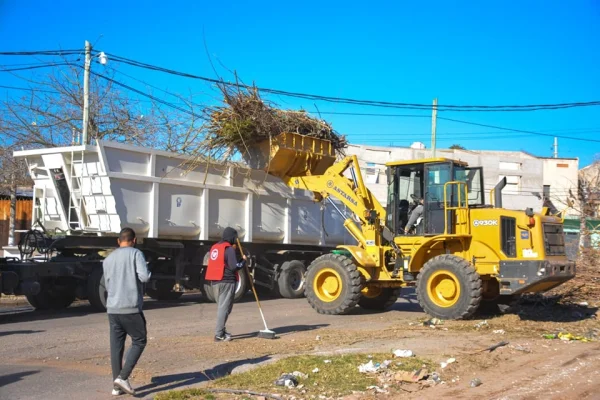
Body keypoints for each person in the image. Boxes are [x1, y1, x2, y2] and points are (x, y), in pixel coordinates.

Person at [103, 227, 151, 396]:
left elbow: (107, 285)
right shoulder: (135, 254)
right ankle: (123, 377)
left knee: (116, 347)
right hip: (130, 307)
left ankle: (116, 387)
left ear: (118, 241)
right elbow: (144, 277)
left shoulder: (108, 259)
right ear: (134, 240)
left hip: (113, 308)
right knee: (140, 340)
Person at [205, 227, 247, 342]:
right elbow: (234, 267)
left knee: (223, 307)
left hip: (214, 281)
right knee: (224, 308)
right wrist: (243, 261)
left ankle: (222, 330)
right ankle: (219, 335)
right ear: (232, 237)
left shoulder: (215, 247)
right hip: (226, 281)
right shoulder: (229, 249)